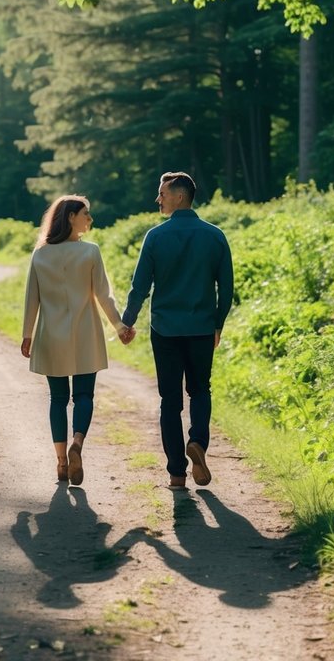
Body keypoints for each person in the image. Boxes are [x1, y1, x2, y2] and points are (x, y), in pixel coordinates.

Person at [121, 172, 234, 489]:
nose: (158, 199)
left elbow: (139, 287)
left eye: (162, 193)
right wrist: (218, 324)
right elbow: (226, 290)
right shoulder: (215, 236)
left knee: (170, 400)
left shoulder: (155, 237)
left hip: (166, 330)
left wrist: (127, 321)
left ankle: (176, 474)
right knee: (200, 390)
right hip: (200, 328)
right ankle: (197, 440)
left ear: (179, 196)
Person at [21, 195, 134, 485]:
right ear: (71, 216)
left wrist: (27, 335)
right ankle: (78, 444)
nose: (90, 219)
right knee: (84, 396)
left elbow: (31, 299)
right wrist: (120, 326)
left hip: (50, 336)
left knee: (57, 400)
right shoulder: (90, 252)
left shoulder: (40, 254)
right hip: (85, 333)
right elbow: (103, 295)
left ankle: (61, 462)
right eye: (86, 213)